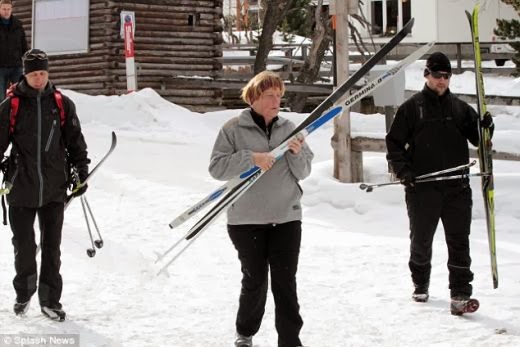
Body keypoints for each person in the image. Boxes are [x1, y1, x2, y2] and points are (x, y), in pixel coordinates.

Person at [209, 71, 313, 347]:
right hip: (246, 220)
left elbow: (303, 171)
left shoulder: (290, 128)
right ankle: (245, 332)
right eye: (270, 95)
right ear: (254, 97)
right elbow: (217, 168)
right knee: (255, 279)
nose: (276, 101)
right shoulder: (233, 129)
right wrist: (251, 158)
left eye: (279, 96)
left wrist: (296, 153)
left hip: (286, 218)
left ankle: (290, 340)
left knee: (285, 282)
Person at [385, 52, 494, 315]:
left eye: (446, 76)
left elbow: (480, 142)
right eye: (437, 75)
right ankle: (420, 282)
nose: (442, 81)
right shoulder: (412, 108)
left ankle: (460, 294)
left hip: (457, 188)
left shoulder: (459, 108)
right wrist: (404, 172)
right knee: (421, 241)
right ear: (426, 75)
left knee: (459, 241)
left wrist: (486, 128)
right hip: (422, 188)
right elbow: (394, 144)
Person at [0, 49, 90, 321]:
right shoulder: (11, 105)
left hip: (53, 187)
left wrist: (80, 171)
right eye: (33, 73)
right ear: (25, 75)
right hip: (20, 187)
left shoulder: (62, 104)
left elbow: (75, 141)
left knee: (52, 248)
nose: (39, 78)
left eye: (42, 73)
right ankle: (24, 293)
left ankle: (50, 300)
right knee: (24, 247)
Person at [0, 0, 28, 100]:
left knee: (20, 94)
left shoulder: (18, 25)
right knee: (1, 98)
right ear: (0, 9)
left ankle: (18, 115)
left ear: (11, 9)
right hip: (1, 67)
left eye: (8, 9)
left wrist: (26, 57)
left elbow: (24, 44)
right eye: (4, 9)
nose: (6, 11)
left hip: (16, 66)